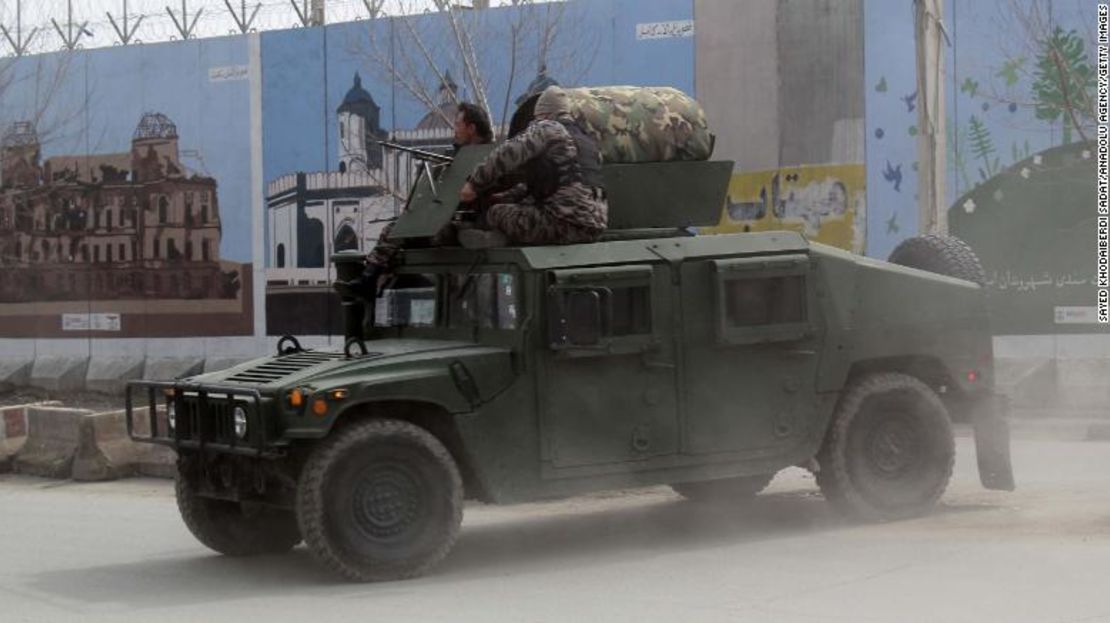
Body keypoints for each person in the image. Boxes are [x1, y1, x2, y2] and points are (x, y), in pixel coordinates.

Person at [339, 102, 493, 299]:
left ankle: (377, 281)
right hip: (443, 218)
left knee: (413, 231)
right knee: (397, 228)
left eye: (458, 124)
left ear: (471, 128)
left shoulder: (491, 157)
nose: (454, 130)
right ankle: (370, 279)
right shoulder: (456, 155)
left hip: (469, 222)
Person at [456, 85, 607, 249]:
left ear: (543, 114)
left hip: (561, 223)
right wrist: (509, 195)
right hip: (593, 228)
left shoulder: (549, 127)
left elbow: (508, 153)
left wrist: (474, 183)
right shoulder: (588, 141)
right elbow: (556, 183)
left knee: (495, 213)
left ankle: (498, 239)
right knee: (515, 207)